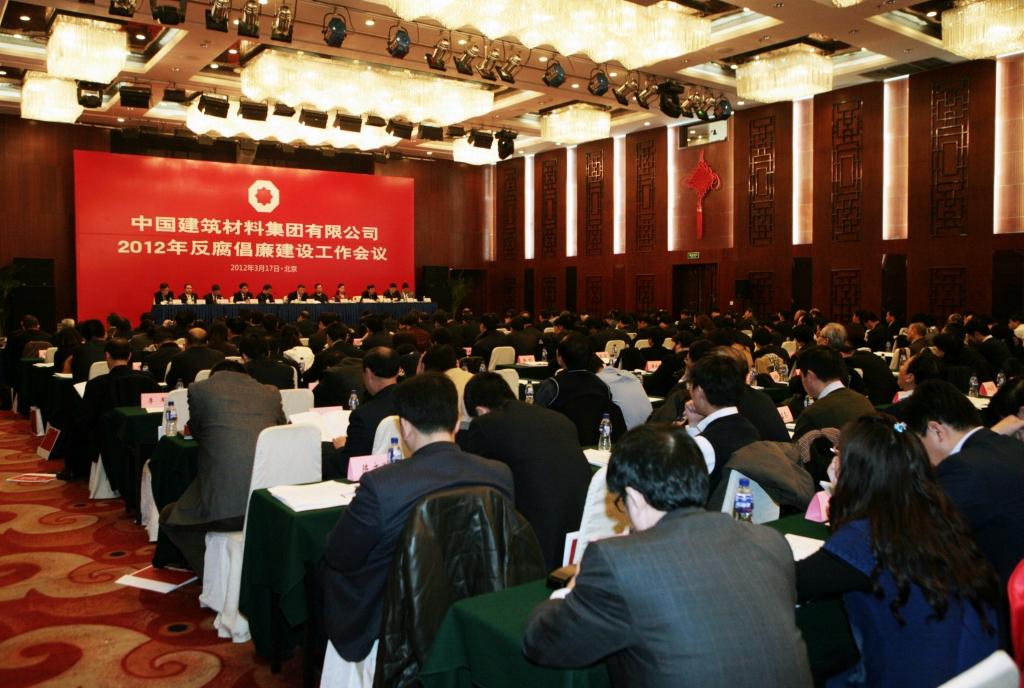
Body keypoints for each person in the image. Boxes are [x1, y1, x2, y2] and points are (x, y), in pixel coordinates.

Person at [523, 424, 813, 688]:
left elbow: (543, 642)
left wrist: (574, 585)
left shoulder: (617, 562)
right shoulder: (770, 542)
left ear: (635, 497)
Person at [318, 373, 514, 663]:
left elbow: (340, 554)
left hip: (395, 619)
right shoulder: (499, 474)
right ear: (457, 423)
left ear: (406, 428)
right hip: (471, 604)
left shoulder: (381, 485)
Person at [795, 414, 1001, 687]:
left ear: (854, 474)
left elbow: (792, 580)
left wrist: (838, 496)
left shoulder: (867, 537)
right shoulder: (940, 518)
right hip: (971, 669)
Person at [157, 360, 286, 575]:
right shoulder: (271, 393)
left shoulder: (199, 390)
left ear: (214, 376)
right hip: (270, 503)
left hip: (225, 509)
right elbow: (281, 431)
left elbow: (198, 432)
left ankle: (215, 575)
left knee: (170, 517)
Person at [461, 372, 592, 571]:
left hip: (535, 542)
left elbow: (473, 480)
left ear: (480, 410)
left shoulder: (486, 424)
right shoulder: (558, 419)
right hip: (581, 532)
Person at [902, 380, 1024, 586]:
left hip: (998, 593)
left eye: (919, 444)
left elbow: (916, 533)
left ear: (936, 430)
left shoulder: (962, 468)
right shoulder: (1010, 446)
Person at [58, 338, 160, 481]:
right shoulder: (148, 379)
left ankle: (74, 470)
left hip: (106, 440)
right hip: (141, 436)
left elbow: (86, 418)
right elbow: (156, 409)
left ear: (106, 355)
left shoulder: (96, 384)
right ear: (129, 356)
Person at [682, 352, 761, 491]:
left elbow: (682, 487)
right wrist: (694, 425)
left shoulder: (705, 444)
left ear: (700, 390)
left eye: (691, 386)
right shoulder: (751, 429)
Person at [536, 333, 626, 445]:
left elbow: (536, 418)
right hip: (594, 445)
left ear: (560, 358)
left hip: (559, 444)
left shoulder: (552, 386)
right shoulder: (602, 385)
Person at [324, 347, 400, 478]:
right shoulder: (414, 400)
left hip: (371, 475)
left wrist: (342, 447)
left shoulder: (363, 415)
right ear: (398, 371)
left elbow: (347, 465)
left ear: (368, 373)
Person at [792, 345, 874, 441]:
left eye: (802, 376)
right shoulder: (863, 401)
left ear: (809, 376)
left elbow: (797, 448)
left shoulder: (813, 414)